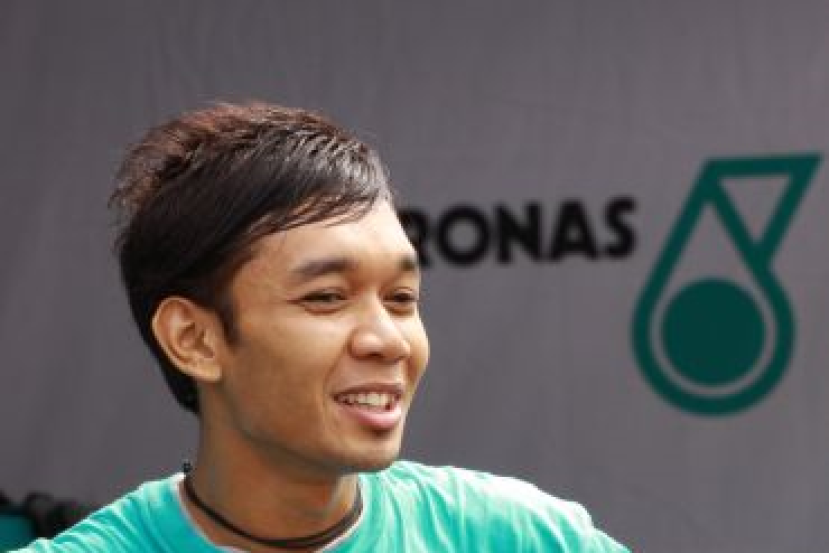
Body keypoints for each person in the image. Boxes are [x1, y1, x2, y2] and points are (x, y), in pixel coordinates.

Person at [17, 102, 629, 552]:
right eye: (327, 298)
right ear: (194, 339)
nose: (388, 340)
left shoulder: (518, 538)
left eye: (401, 298)